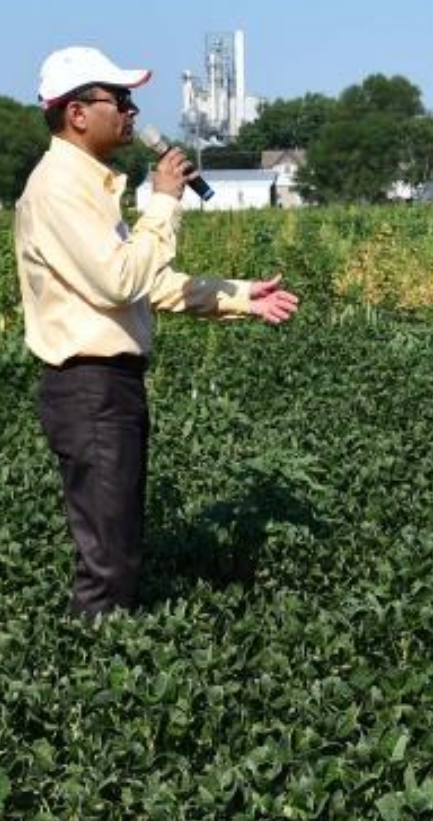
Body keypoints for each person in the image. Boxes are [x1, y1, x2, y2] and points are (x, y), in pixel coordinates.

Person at [15, 46, 300, 616]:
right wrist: (165, 200)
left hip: (108, 386)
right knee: (109, 559)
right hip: (89, 386)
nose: (131, 111)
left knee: (116, 540)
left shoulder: (89, 186)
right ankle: (90, 673)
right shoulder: (57, 190)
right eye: (118, 99)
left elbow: (147, 283)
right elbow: (122, 280)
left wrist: (240, 296)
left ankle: (102, 659)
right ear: (77, 113)